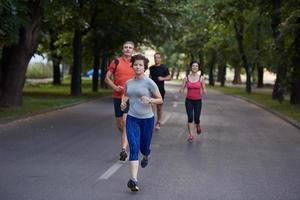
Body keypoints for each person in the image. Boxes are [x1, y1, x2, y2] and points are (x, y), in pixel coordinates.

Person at [121, 54, 163, 192]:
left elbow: (160, 100)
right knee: (133, 148)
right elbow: (126, 94)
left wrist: (150, 100)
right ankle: (134, 180)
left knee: (144, 148)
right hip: (132, 118)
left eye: (140, 65)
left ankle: (146, 155)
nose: (138, 67)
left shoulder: (149, 82)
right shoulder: (128, 83)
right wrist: (123, 101)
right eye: (135, 64)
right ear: (132, 66)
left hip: (147, 120)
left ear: (144, 68)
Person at [105, 41, 135, 161]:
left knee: (125, 121)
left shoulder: (136, 63)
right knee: (120, 124)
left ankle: (123, 150)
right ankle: (127, 138)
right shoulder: (116, 62)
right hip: (117, 96)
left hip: (130, 97)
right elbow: (107, 78)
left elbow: (141, 78)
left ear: (133, 50)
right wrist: (114, 87)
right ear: (122, 50)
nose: (128, 49)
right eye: (126, 47)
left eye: (130, 48)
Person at [180, 61, 206, 142]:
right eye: (193, 66)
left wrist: (203, 92)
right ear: (191, 67)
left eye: (196, 66)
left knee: (196, 118)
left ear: (198, 68)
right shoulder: (186, 78)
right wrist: (182, 91)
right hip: (189, 101)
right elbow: (182, 89)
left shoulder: (201, 78)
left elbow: (204, 89)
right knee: (190, 118)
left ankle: (198, 124)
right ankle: (191, 135)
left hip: (198, 101)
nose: (195, 67)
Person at [149, 53, 171, 130]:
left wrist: (162, 78)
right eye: (155, 58)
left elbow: (169, 77)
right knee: (151, 106)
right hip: (151, 90)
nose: (156, 59)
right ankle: (151, 122)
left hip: (160, 90)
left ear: (160, 59)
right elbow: (150, 77)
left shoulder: (164, 68)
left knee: (159, 107)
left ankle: (158, 122)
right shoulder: (151, 68)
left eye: (158, 58)